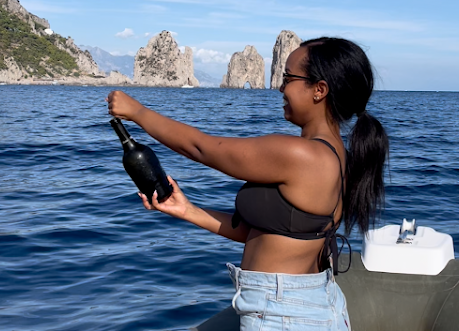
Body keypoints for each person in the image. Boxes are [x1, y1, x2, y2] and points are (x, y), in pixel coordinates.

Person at [106, 37, 388, 331]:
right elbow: (259, 235)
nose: (281, 87)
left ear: (319, 90)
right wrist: (187, 210)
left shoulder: (303, 155)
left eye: (288, 78)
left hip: (285, 314)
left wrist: (136, 112)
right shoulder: (335, 154)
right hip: (298, 303)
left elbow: (201, 148)